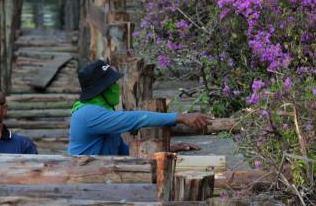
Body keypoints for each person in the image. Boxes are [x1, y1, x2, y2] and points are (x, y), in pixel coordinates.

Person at [68, 60, 213, 156]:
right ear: (100, 90)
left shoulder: (104, 112)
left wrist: (165, 150)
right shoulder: (87, 114)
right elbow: (135, 119)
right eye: (110, 85)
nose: (115, 87)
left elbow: (124, 152)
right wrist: (180, 117)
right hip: (83, 177)